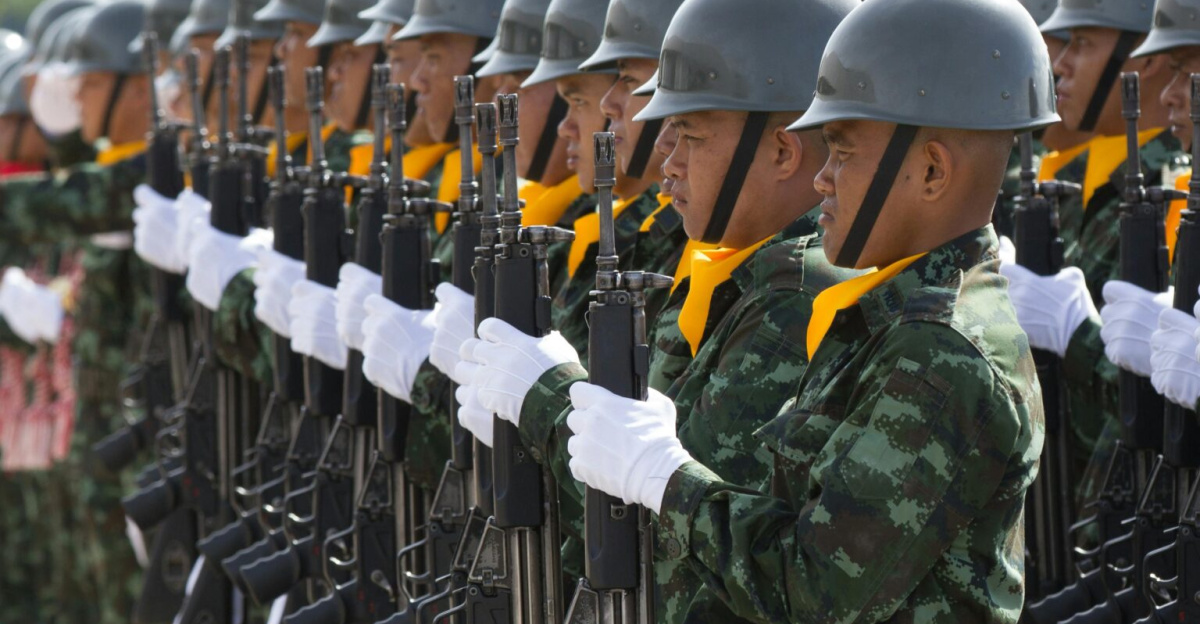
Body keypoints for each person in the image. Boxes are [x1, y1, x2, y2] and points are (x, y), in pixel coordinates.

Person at [566, 0, 1051, 621]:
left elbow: (814, 590)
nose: (820, 178)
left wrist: (663, 478)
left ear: (932, 171)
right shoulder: (893, 322)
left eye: (843, 155)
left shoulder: (941, 353)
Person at [457, 2, 862, 622]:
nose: (668, 157)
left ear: (783, 153)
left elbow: (669, 530)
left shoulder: (797, 295)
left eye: (691, 137)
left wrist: (544, 400)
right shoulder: (733, 274)